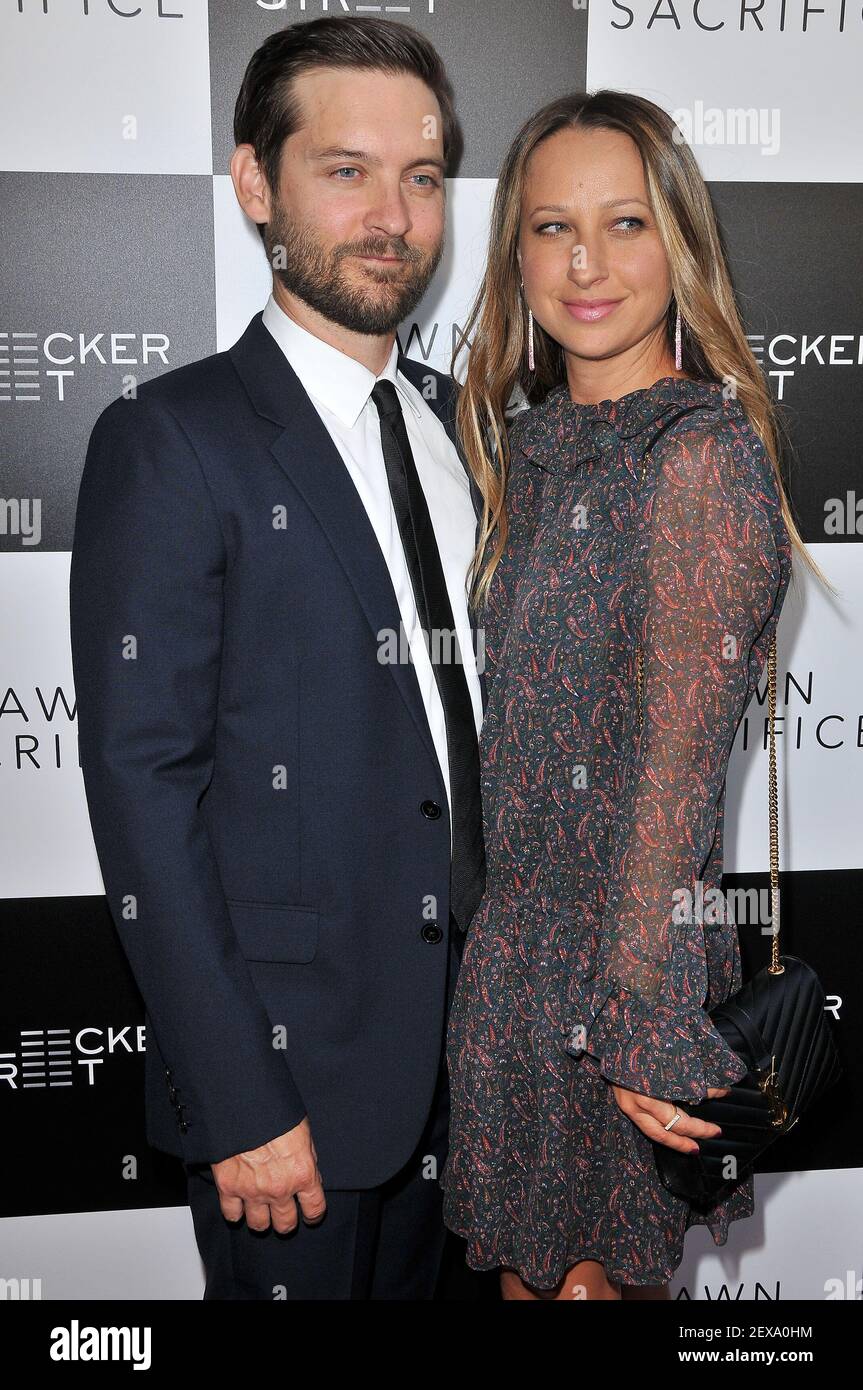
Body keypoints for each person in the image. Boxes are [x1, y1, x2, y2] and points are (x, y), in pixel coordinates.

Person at [69, 16, 486, 1300]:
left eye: (419, 177)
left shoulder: (458, 426)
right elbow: (142, 788)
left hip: (478, 1086)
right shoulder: (172, 437)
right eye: (345, 170)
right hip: (295, 1095)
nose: (393, 215)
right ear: (256, 184)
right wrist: (238, 1093)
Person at [440, 91, 828, 1301]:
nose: (586, 263)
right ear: (515, 254)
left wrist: (640, 1023)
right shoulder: (532, 449)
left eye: (624, 223)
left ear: (679, 243)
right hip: (514, 964)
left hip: (618, 969)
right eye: (551, 228)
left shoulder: (697, 456)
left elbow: (669, 785)